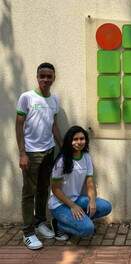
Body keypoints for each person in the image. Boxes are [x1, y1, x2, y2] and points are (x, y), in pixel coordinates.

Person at [16, 62, 62, 250]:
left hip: (49, 151)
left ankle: (40, 222)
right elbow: (19, 125)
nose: (45, 79)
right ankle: (28, 232)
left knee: (44, 188)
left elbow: (54, 126)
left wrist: (62, 147)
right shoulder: (26, 97)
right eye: (42, 76)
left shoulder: (55, 100)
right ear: (37, 77)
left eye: (49, 76)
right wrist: (22, 153)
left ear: (54, 78)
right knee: (29, 193)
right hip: (32, 154)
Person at [48, 126, 112, 239]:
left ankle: (81, 222)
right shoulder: (62, 161)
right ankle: (58, 225)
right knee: (88, 230)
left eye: (82, 138)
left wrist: (92, 201)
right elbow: (55, 189)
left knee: (105, 206)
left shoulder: (86, 157)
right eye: (75, 139)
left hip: (76, 199)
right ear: (69, 141)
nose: (79, 142)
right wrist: (72, 206)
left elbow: (90, 183)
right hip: (59, 204)